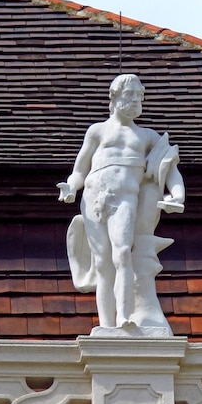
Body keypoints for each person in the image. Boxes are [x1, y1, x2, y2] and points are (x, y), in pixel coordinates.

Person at [57, 74, 184, 330]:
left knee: (122, 253)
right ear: (114, 97)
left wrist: (177, 194)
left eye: (140, 96)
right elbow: (80, 168)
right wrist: (71, 186)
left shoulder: (147, 136)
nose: (137, 100)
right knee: (103, 262)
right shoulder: (97, 131)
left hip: (126, 198)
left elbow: (168, 166)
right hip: (94, 196)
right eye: (131, 95)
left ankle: (124, 316)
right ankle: (107, 325)